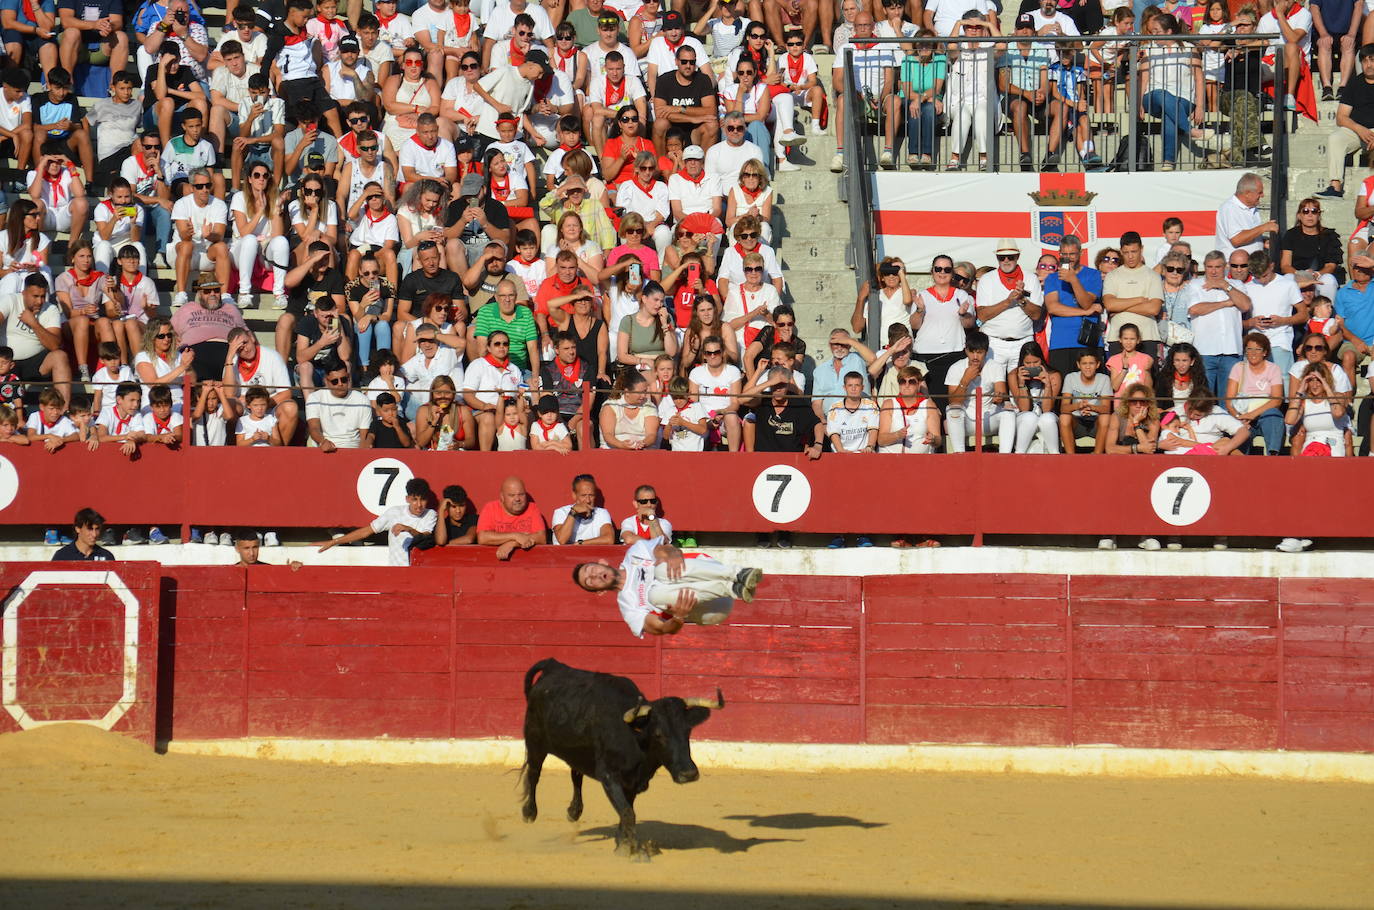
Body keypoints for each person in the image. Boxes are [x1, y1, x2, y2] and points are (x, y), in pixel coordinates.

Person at [573, 538, 763, 638]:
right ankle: (732, 586)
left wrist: (672, 553)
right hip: (709, 610)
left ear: (602, 562)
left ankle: (738, 577)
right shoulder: (628, 607)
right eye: (590, 581)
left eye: (592, 569)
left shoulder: (635, 554)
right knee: (655, 595)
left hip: (709, 571)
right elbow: (660, 628)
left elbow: (664, 549)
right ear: (600, 591)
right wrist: (679, 617)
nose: (595, 575)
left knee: (662, 569)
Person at [318, 478, 438, 566]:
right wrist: (334, 541)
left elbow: (426, 537)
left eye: (422, 500)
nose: (419, 505)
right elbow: (366, 531)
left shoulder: (430, 514)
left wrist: (408, 529)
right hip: (396, 572)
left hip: (419, 571)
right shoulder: (394, 512)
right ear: (407, 499)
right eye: (414, 500)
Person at [1187, 250, 1252, 397]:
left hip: (1232, 350)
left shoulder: (1236, 285)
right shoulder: (1196, 284)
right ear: (1205, 267)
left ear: (1225, 266)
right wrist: (1226, 303)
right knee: (1204, 398)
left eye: (1218, 267)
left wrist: (1225, 286)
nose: (1214, 271)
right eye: (1210, 267)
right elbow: (1195, 309)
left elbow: (1246, 305)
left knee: (1229, 399)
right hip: (1204, 351)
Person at [1320, 43, 1374, 199]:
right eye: (1365, 61)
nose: (1368, 65)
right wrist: (1360, 129)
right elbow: (1341, 117)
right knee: (1335, 138)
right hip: (1358, 131)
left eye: (1372, 60)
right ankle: (1335, 186)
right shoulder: (1355, 83)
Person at [1242, 249, 1307, 375]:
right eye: (1257, 277)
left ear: (1272, 266)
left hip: (1280, 341)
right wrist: (1251, 322)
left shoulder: (1288, 284)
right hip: (1255, 343)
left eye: (1265, 275)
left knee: (1283, 381)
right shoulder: (1246, 287)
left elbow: (1304, 314)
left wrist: (1283, 321)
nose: (1262, 280)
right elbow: (1237, 321)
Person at [1102, 231, 1164, 362]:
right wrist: (1139, 300)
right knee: (1119, 381)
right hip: (1117, 339)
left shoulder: (1153, 276)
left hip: (1146, 338)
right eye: (1126, 252)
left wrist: (1120, 307)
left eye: (1134, 251)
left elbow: (1153, 309)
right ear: (1121, 251)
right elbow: (1109, 304)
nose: (1130, 256)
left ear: (1141, 249)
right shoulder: (1112, 276)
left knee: (1146, 382)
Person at [1226, 331, 1286, 454]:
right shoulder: (1238, 367)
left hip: (1264, 415)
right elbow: (1229, 401)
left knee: (1274, 414)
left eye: (1258, 349)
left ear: (1265, 352)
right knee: (1239, 431)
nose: (1253, 353)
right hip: (1242, 415)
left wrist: (1252, 414)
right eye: (1249, 349)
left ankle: (1273, 456)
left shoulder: (1273, 369)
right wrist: (1240, 418)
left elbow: (1277, 400)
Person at [306, 358, 373, 450]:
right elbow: (314, 428)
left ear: (349, 377)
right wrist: (323, 441)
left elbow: (364, 437)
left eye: (344, 379)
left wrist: (360, 456)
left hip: (353, 449)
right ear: (326, 381)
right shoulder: (314, 398)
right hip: (324, 449)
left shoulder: (362, 400)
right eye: (334, 381)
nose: (340, 384)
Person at [476, 474, 548, 560]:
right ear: (502, 497)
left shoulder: (532, 508)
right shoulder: (490, 508)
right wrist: (515, 536)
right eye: (512, 495)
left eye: (521, 494)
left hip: (527, 563)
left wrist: (513, 544)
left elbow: (541, 538)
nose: (517, 499)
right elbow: (483, 537)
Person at [1058, 349, 1112, 454]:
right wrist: (1079, 406)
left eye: (1091, 363)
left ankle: (1097, 455)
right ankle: (1070, 457)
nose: (1088, 367)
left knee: (1106, 418)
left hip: (1096, 422)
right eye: (1084, 363)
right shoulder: (1070, 378)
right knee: (1064, 417)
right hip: (1077, 421)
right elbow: (1063, 408)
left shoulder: (1104, 379)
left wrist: (1092, 408)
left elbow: (1106, 408)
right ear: (1078, 365)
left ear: (1097, 364)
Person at [1215, 172, 1277, 260]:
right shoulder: (1230, 208)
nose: (1262, 195)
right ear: (1247, 193)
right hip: (1235, 267)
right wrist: (1263, 228)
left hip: (1252, 265)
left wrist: (1261, 241)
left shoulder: (1252, 208)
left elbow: (1249, 234)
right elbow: (1236, 240)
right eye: (1259, 192)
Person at [551, 473, 616, 545]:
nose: (588, 500)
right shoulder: (561, 512)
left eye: (591, 495)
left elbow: (609, 539)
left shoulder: (601, 513)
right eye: (583, 495)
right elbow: (562, 540)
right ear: (574, 495)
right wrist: (573, 512)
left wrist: (581, 543)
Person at [51, 507, 115, 561]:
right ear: (78, 529)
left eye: (97, 529)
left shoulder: (107, 557)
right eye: (89, 529)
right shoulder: (62, 557)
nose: (94, 534)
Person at [233, 528, 303, 568]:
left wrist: (292, 570)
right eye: (246, 548)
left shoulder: (269, 569)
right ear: (237, 548)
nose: (251, 553)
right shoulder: (231, 571)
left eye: (255, 547)